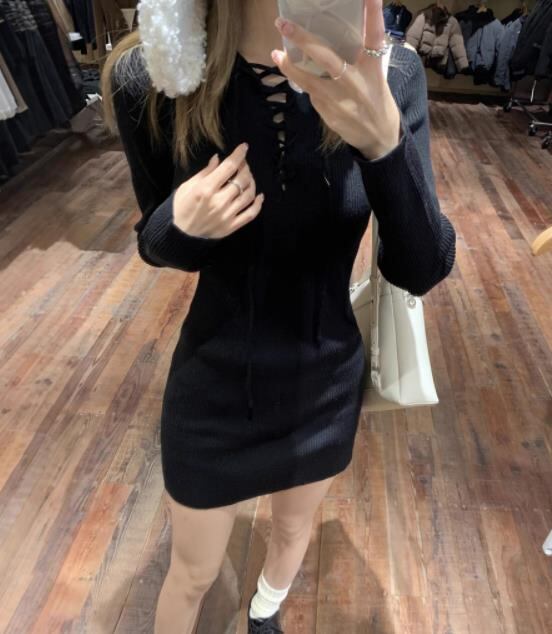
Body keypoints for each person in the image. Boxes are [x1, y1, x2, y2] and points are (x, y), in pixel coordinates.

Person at [101, 1, 456, 632]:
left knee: (293, 530)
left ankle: (264, 612)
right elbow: (153, 242)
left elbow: (422, 267)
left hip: (324, 383)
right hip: (212, 389)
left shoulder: (388, 74)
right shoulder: (156, 74)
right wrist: (180, 224)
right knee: (192, 573)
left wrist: (384, 146)